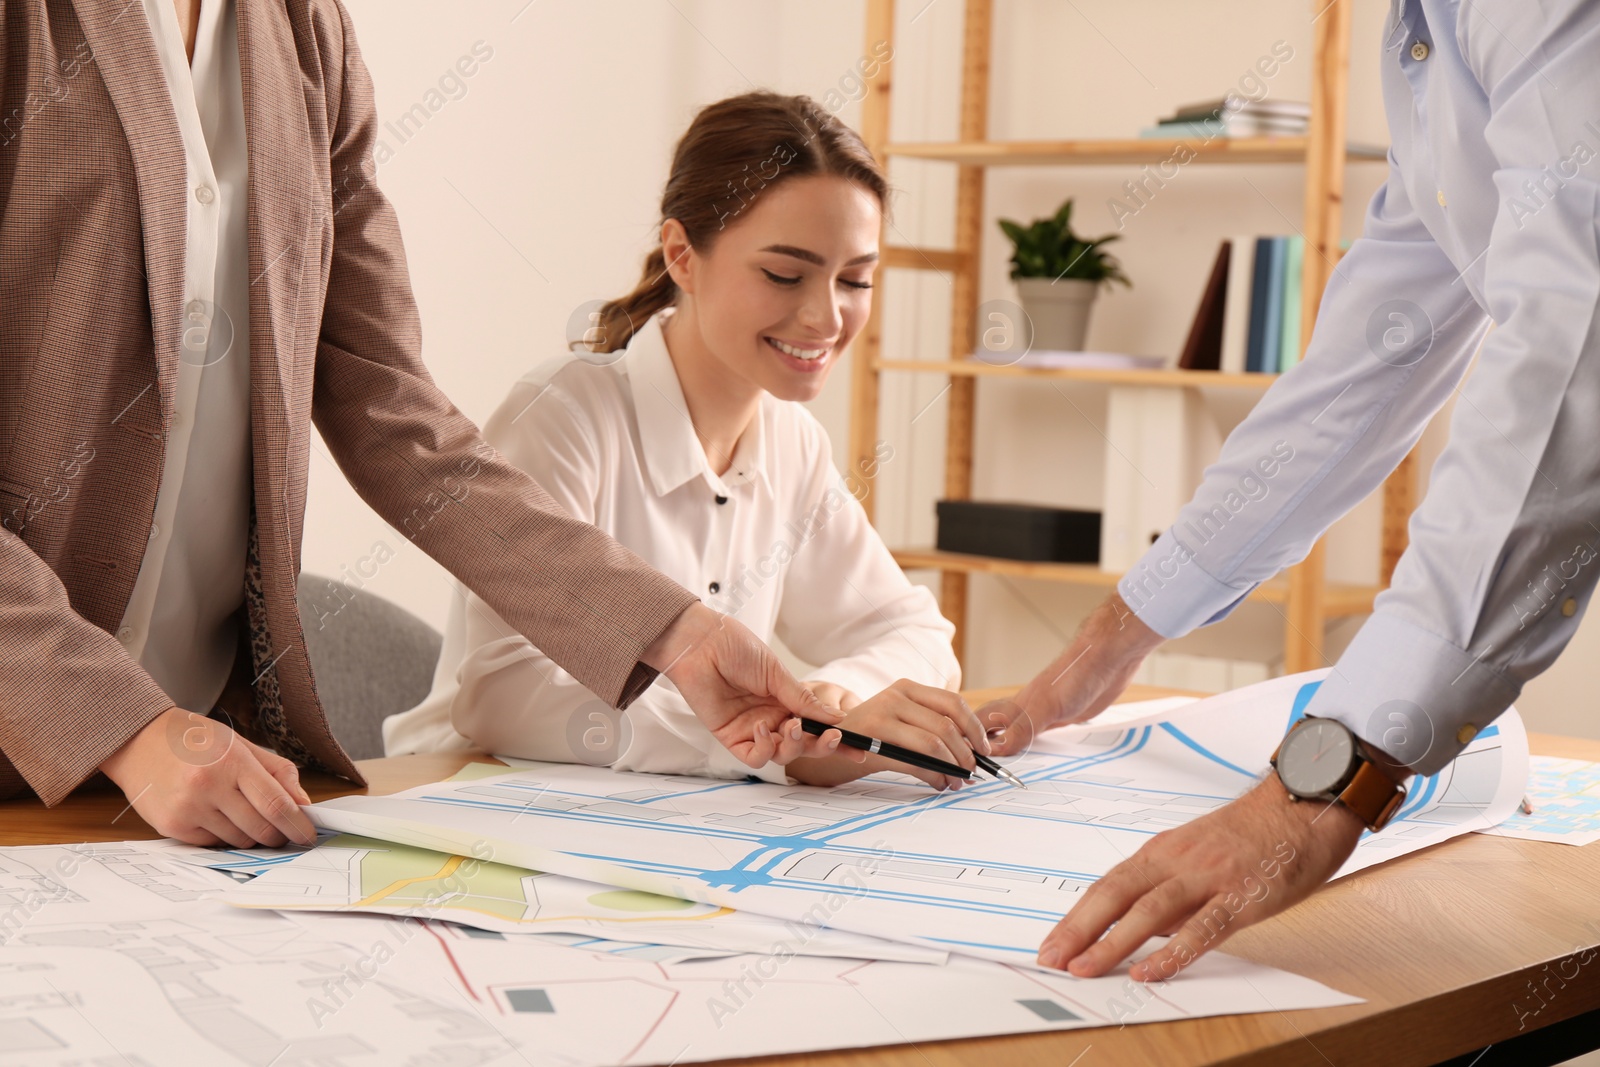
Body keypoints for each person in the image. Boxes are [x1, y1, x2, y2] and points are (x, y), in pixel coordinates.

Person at [0, 0, 845, 849]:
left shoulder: (305, 31)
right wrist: (125, 727)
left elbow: (399, 419)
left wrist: (680, 635)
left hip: (203, 779)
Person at [986, 0, 1600, 980]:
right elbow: (1369, 357)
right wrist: (1119, 631)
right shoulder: (1424, 33)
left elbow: (1574, 345)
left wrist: (1317, 786)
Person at [387, 91, 988, 791]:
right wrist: (763, 743)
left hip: (669, 823)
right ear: (682, 255)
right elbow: (503, 696)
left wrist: (828, 711)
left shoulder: (792, 442)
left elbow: (915, 634)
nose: (827, 316)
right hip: (458, 802)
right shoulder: (566, 415)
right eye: (784, 274)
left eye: (856, 279)